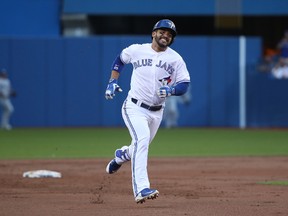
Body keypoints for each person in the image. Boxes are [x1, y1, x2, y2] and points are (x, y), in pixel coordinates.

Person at [104, 19, 190, 204]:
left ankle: (122, 155)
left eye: (169, 34)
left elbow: (184, 84)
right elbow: (120, 60)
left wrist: (171, 90)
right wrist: (112, 81)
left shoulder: (175, 59)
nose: (166, 35)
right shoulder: (137, 49)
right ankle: (141, 188)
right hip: (134, 106)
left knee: (138, 146)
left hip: (157, 112)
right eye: (162, 31)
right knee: (142, 140)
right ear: (153, 33)